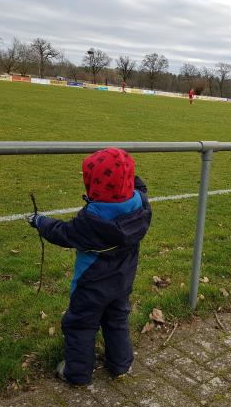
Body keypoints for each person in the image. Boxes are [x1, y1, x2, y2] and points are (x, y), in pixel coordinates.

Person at [27, 148, 152, 386]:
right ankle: (121, 364)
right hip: (123, 281)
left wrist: (40, 221)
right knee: (116, 318)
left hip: (90, 286)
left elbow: (61, 232)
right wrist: (122, 167)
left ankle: (77, 373)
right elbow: (139, 185)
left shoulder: (90, 221)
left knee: (80, 324)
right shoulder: (141, 206)